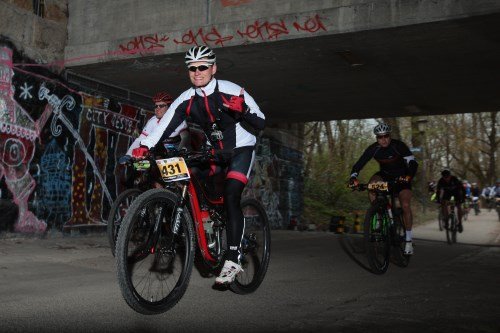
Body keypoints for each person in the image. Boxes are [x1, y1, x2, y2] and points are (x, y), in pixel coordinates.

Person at [136, 46, 265, 284]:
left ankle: (233, 257)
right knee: (192, 177)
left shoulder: (231, 90)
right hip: (213, 152)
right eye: (192, 68)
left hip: (240, 149)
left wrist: (244, 110)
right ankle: (209, 224)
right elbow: (164, 127)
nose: (197, 72)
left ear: (213, 68)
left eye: (203, 67)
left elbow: (260, 121)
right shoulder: (185, 99)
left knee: (231, 193)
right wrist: (145, 147)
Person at [349, 123, 418, 255]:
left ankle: (408, 240)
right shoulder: (373, 149)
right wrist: (353, 177)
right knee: (372, 184)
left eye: (386, 136)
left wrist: (408, 176)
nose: (383, 139)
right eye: (380, 137)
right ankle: (379, 213)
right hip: (385, 176)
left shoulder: (399, 146)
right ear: (376, 138)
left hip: (402, 178)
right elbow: (360, 163)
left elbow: (413, 163)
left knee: (404, 205)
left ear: (390, 136)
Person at [118, 92, 189, 166]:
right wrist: (128, 155)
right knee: (138, 166)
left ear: (169, 107)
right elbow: (140, 139)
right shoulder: (152, 121)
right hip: (159, 157)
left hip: (178, 157)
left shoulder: (179, 121)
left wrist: (180, 151)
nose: (157, 109)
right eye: (156, 106)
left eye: (161, 106)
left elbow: (186, 137)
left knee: (193, 171)